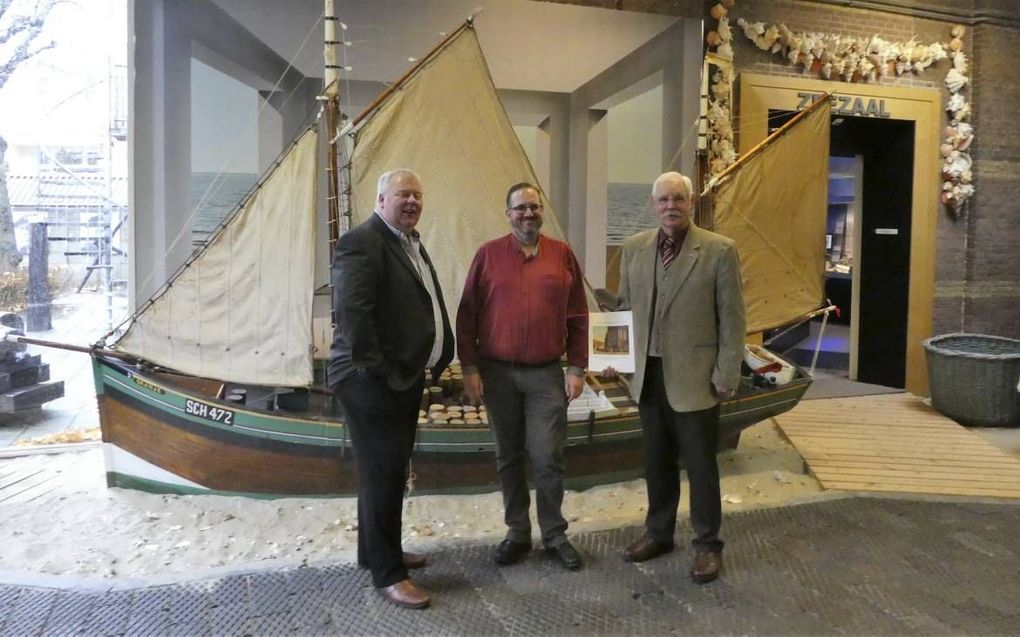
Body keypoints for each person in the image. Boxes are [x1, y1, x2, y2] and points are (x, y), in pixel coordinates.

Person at [601, 171, 745, 584]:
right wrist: (614, 355)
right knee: (656, 463)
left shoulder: (719, 251)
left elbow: (733, 319)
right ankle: (659, 534)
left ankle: (707, 545)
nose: (670, 206)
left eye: (678, 198)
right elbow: (625, 311)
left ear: (691, 201)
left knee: (701, 466)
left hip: (696, 379)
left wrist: (726, 372)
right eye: (663, 200)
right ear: (653, 205)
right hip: (647, 376)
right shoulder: (633, 249)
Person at [329, 169, 454, 609]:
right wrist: (381, 372)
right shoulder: (362, 241)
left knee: (386, 472)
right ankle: (389, 574)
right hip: (370, 380)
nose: (412, 201)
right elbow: (353, 314)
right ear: (381, 199)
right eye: (403, 194)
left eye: (418, 195)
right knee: (384, 473)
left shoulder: (406, 242)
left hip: (397, 376)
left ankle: (377, 552)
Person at [457, 182, 589, 571]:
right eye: (520, 208)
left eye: (533, 207)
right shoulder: (487, 256)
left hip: (547, 375)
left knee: (549, 457)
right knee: (508, 458)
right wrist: (469, 369)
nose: (528, 214)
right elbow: (467, 318)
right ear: (508, 213)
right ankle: (517, 532)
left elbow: (579, 316)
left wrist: (577, 367)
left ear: (540, 210)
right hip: (497, 375)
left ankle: (554, 534)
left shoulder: (562, 255)